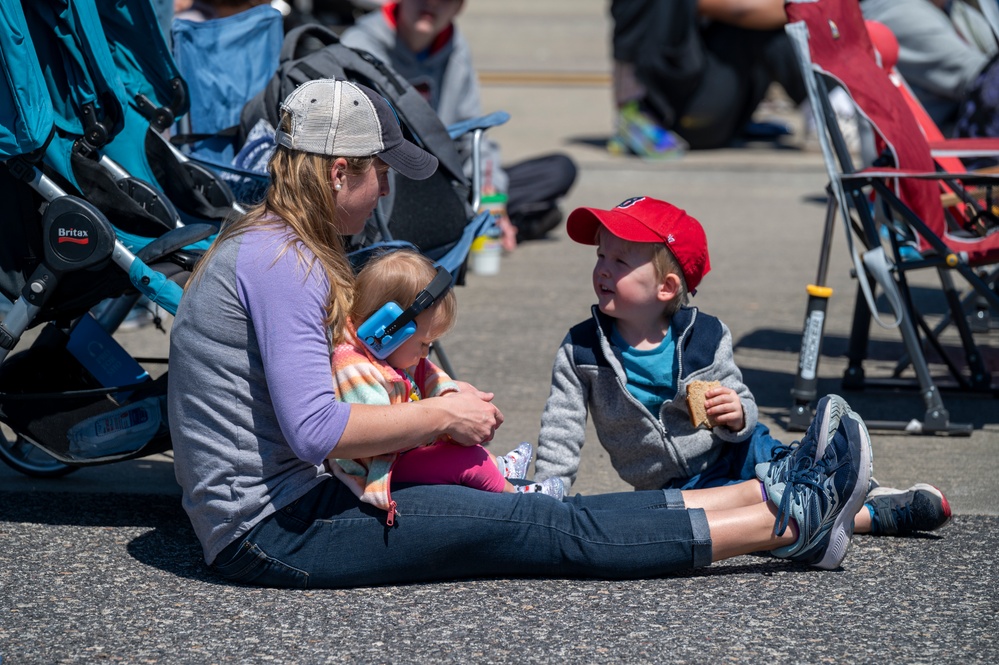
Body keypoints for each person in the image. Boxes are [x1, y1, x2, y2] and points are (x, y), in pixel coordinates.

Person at [168, 77, 874, 589]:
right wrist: (442, 413)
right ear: (338, 169)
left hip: (287, 509)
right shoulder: (283, 261)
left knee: (543, 513)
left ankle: (768, 491)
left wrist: (423, 392)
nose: (384, 190)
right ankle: (789, 521)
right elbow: (316, 430)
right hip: (274, 531)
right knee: (543, 528)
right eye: (378, 173)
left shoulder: (265, 242)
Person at [533, 196, 952, 538]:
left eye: (619, 262)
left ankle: (862, 490)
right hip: (670, 486)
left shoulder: (706, 337)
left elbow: (743, 402)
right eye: (601, 255)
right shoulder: (582, 349)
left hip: (738, 453)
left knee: (789, 477)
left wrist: (735, 414)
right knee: (748, 523)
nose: (603, 269)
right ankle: (873, 515)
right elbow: (561, 426)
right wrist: (548, 493)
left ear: (667, 287)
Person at [329, 249, 564, 512]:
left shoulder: (391, 354)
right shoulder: (353, 367)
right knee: (461, 461)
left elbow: (431, 375)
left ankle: (497, 468)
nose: (425, 353)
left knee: (464, 447)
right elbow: (379, 432)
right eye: (423, 343)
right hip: (379, 468)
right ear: (388, 329)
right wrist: (441, 423)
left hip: (402, 453)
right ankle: (520, 498)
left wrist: (451, 396)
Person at [339, 0, 578, 249]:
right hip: (389, 183)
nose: (431, 4)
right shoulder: (359, 46)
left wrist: (491, 195)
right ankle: (479, 226)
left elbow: (473, 133)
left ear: (459, 8)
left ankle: (480, 223)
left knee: (560, 169)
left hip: (447, 178)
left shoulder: (455, 47)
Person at [608, 0, 807, 157]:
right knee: (765, 23)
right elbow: (745, 9)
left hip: (687, 109)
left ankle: (826, 106)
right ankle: (828, 110)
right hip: (680, 122)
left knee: (770, 17)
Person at [860, 0, 999, 139]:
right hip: (941, 150)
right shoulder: (895, 13)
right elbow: (981, 80)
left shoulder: (954, 8)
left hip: (968, 139)